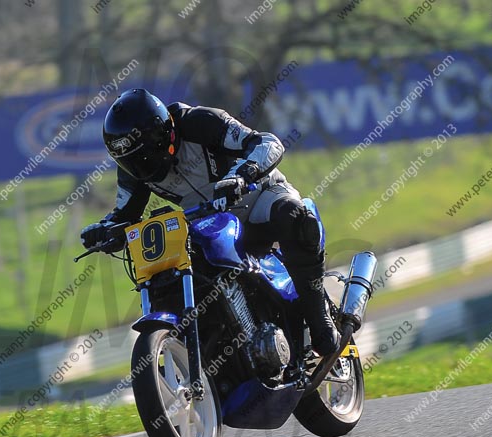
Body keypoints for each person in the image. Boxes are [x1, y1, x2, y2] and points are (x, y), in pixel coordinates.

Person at [80, 88, 339, 357]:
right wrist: (105, 230)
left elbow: (267, 143)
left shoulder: (199, 122)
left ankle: (320, 320)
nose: (143, 165)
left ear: (164, 133)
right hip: (208, 223)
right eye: (130, 161)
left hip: (257, 197)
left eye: (146, 153)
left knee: (295, 217)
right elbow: (123, 215)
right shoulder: (135, 169)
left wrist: (242, 174)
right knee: (178, 275)